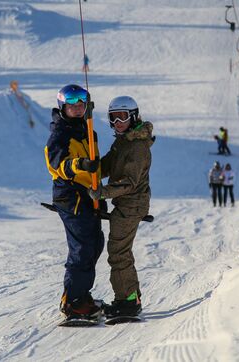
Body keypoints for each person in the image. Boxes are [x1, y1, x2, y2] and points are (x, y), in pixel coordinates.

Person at [88, 96, 154, 318]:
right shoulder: (123, 141)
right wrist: (89, 169)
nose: (118, 122)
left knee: (118, 252)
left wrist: (103, 192)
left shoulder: (137, 146)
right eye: (113, 118)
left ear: (133, 117)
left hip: (131, 204)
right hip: (125, 203)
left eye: (122, 117)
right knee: (120, 251)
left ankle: (127, 302)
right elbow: (107, 165)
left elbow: (129, 182)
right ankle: (130, 297)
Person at [44, 84, 105, 319]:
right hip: (71, 196)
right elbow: (56, 164)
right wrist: (80, 165)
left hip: (88, 195)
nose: (78, 110)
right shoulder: (60, 133)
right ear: (63, 108)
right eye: (72, 106)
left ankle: (81, 295)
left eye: (81, 105)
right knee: (82, 248)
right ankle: (72, 302)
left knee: (94, 243)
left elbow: (96, 166)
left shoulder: (88, 131)